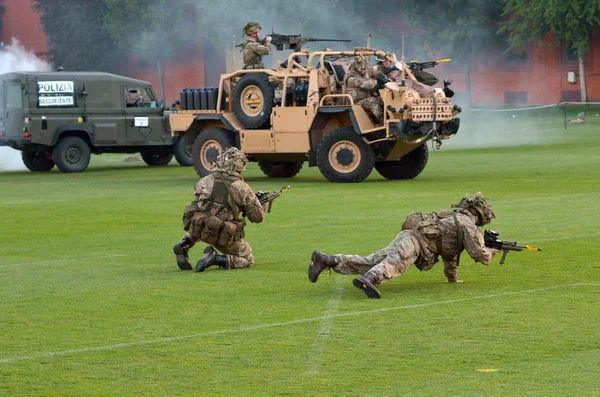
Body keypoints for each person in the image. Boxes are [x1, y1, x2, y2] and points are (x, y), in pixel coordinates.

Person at [307, 193, 499, 299]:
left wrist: (452, 279)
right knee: (395, 264)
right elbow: (478, 254)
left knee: (371, 260)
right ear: (477, 216)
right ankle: (370, 279)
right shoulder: (468, 226)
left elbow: (451, 254)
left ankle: (327, 260)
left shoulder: (451, 217)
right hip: (415, 243)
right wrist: (490, 252)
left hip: (407, 235)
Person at [173, 147, 265, 272]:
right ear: (239, 166)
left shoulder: (205, 180)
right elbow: (257, 218)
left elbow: (200, 204)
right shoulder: (241, 187)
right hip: (222, 235)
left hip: (199, 228)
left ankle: (185, 243)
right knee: (248, 260)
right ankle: (216, 259)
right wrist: (261, 206)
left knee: (205, 218)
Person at [343, 55, 384, 124]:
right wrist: (377, 82)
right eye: (363, 69)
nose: (365, 70)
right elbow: (364, 83)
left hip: (364, 100)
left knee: (382, 99)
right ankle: (383, 121)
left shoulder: (362, 75)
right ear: (357, 67)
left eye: (365, 69)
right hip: (355, 103)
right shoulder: (350, 77)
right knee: (372, 101)